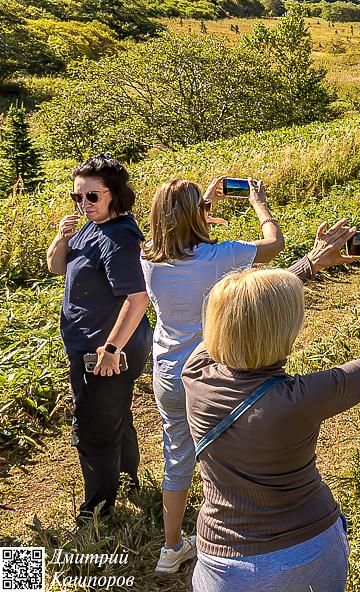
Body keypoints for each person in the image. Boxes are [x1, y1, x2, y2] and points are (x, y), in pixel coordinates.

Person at [183, 223, 360, 592]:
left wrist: (310, 263)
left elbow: (241, 310)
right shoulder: (299, 398)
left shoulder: (195, 374)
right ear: (285, 331)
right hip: (306, 550)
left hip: (222, 561)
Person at [140, 177, 287, 573]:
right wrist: (260, 205)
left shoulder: (148, 259)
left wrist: (203, 200)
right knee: (227, 452)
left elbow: (179, 230)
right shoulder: (220, 256)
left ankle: (171, 548)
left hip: (168, 370)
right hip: (212, 371)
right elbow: (274, 245)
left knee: (177, 454)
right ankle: (236, 532)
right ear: (195, 217)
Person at [45, 154, 151, 522]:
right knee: (115, 412)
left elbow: (138, 299)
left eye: (93, 196)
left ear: (116, 195)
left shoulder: (119, 238)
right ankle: (127, 476)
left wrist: (110, 349)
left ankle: (98, 509)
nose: (84, 204)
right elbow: (57, 267)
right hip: (93, 345)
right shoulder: (90, 227)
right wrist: (61, 238)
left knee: (93, 427)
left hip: (105, 350)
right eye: (77, 197)